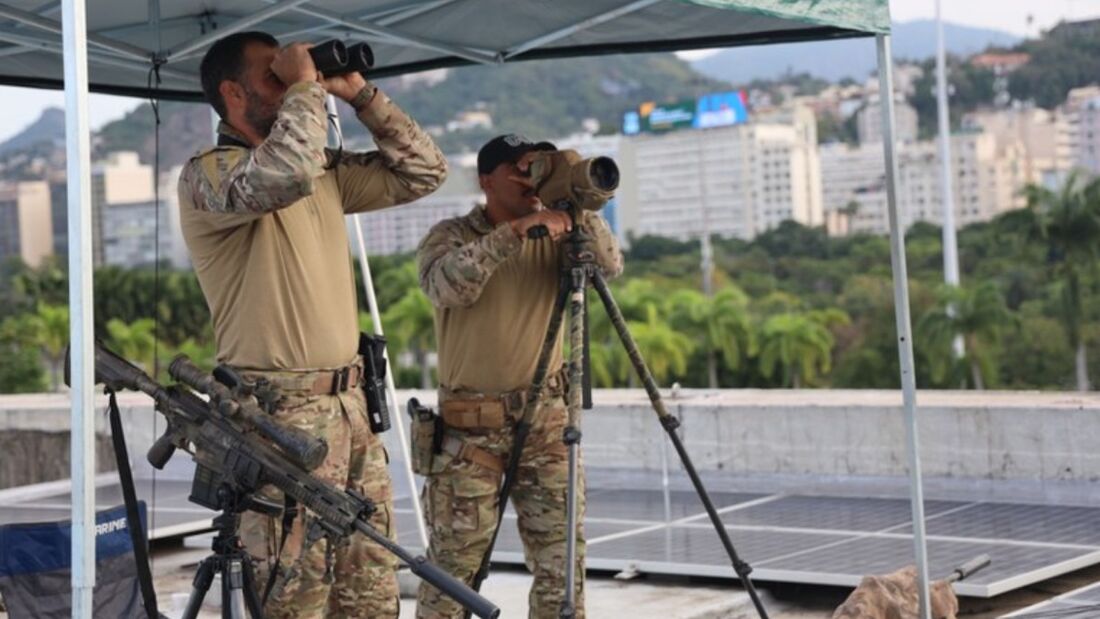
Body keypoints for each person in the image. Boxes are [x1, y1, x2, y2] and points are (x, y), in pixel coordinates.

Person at [178, 31, 447, 618]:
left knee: (371, 594)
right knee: (293, 597)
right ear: (232, 93)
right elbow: (284, 175)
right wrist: (304, 86)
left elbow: (424, 172)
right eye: (272, 75)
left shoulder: (321, 169)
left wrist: (359, 95)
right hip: (277, 421)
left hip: (351, 408)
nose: (291, 82)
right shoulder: (210, 176)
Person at [415, 134, 624, 618]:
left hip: (547, 422)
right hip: (470, 432)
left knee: (561, 563)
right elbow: (447, 286)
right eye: (518, 168)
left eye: (536, 165)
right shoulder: (452, 235)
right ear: (486, 181)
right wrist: (516, 232)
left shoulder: (562, 232)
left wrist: (574, 198)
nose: (529, 177)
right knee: (454, 567)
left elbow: (609, 265)